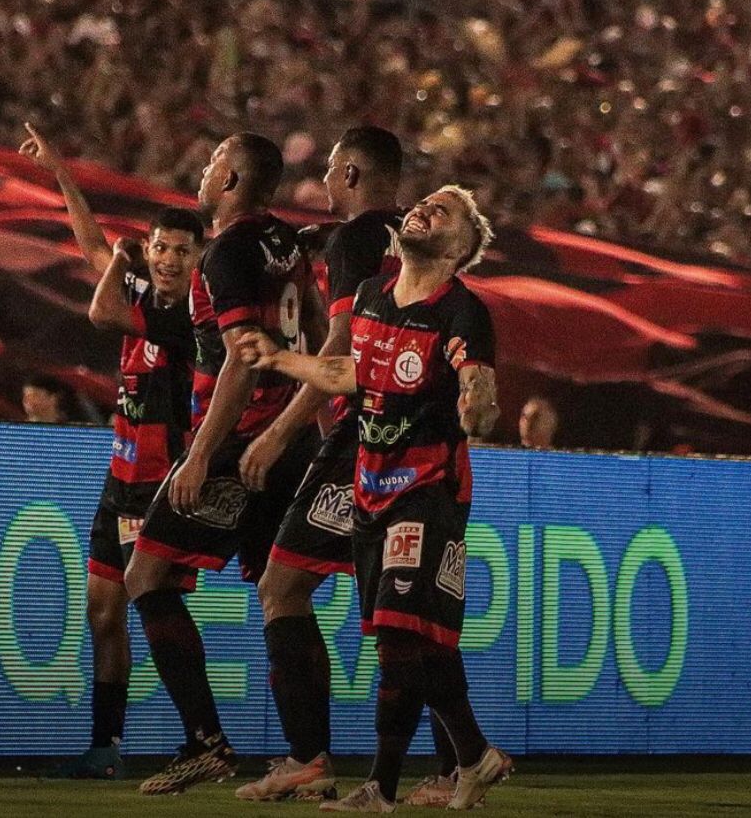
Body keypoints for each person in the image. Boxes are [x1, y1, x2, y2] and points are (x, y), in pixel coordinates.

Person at [238, 186, 512, 812]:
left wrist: (478, 405)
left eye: (443, 211)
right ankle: (474, 756)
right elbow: (349, 374)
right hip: (370, 486)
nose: (423, 209)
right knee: (412, 642)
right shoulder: (371, 296)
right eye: (424, 202)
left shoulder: (462, 310)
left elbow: (477, 382)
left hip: (428, 487)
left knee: (397, 631)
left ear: (460, 248)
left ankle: (382, 789)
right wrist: (279, 359)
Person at [123, 133, 324, 796]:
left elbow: (242, 355)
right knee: (282, 593)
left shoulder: (228, 251)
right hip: (291, 437)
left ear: (232, 178)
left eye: (213, 161)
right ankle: (309, 759)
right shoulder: (285, 242)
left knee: (147, 575)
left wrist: (202, 455)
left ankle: (205, 743)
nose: (204, 169)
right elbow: (316, 332)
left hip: (241, 442)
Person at [20, 123, 205, 779]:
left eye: (182, 250)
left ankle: (203, 738)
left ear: (198, 258)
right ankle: (107, 748)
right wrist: (61, 173)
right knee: (104, 613)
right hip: (119, 479)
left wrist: (124, 262)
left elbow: (101, 311)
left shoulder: (190, 319)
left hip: (159, 486)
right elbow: (93, 246)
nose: (169, 259)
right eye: (161, 247)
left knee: (155, 610)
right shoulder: (141, 287)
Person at [234, 125, 407, 801]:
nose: (327, 181)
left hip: (363, 434)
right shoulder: (412, 235)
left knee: (282, 587)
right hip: (415, 436)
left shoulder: (352, 239)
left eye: (334, 170)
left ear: (354, 174)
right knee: (403, 612)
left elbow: (341, 349)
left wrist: (280, 432)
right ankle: (461, 759)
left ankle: (309, 757)